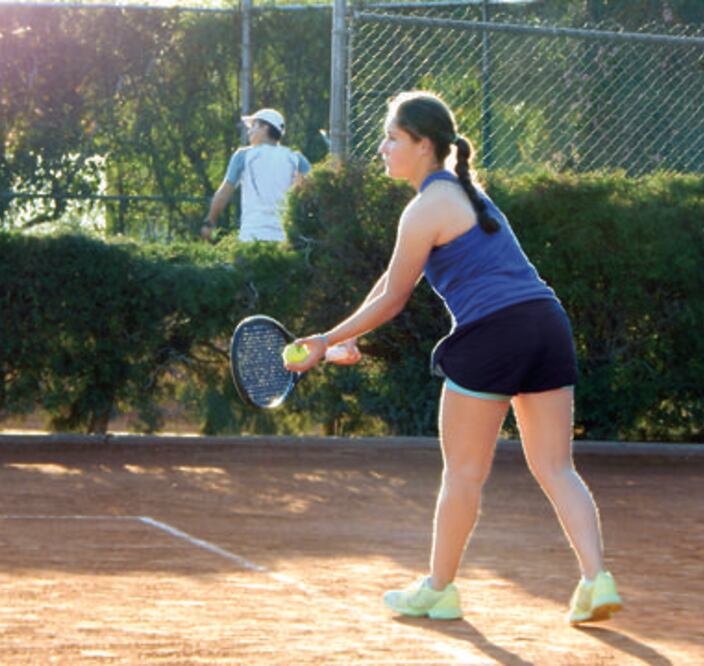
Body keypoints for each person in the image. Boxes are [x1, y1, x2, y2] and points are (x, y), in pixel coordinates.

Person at [284, 91, 622, 624]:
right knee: (557, 467)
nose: (382, 148)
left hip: (494, 333)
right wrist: (345, 335)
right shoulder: (469, 195)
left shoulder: (425, 208)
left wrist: (324, 341)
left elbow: (394, 299)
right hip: (546, 323)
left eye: (392, 138)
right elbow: (391, 283)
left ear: (423, 144)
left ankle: (439, 590)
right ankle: (596, 579)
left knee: (463, 474)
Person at [201, 108, 311, 243]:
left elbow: (224, 193)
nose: (249, 131)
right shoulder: (297, 159)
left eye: (253, 126)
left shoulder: (243, 156)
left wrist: (210, 222)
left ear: (265, 127)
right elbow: (311, 194)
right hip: (285, 239)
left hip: (252, 236)